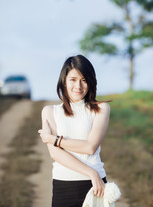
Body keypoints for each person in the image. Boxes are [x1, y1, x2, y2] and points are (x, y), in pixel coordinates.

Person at [38, 54, 110, 207]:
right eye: (73, 79)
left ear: (91, 82)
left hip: (96, 187)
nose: (78, 86)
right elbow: (55, 153)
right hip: (64, 186)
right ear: (64, 81)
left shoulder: (101, 108)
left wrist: (54, 139)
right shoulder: (50, 111)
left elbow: (90, 147)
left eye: (84, 80)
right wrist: (91, 173)